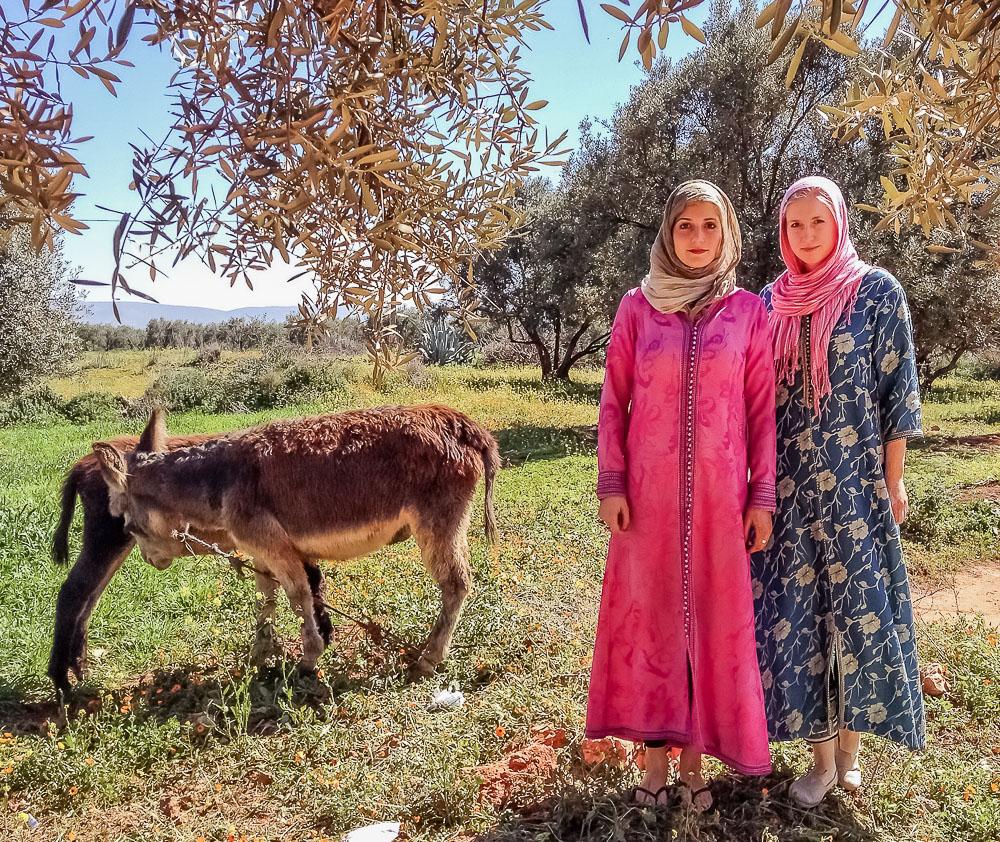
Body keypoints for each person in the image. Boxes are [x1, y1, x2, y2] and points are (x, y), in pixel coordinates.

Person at [588, 180, 777, 812]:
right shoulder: (637, 308)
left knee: (709, 624)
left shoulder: (749, 312)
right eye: (684, 226)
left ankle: (694, 764)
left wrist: (761, 497)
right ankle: (654, 766)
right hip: (647, 501)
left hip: (724, 501)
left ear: (728, 234)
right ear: (667, 234)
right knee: (653, 620)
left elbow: (760, 413)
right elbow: (613, 403)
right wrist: (612, 481)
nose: (697, 238)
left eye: (710, 226)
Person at [753, 176, 925, 808]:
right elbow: (756, 399)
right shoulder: (771, 301)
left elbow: (896, 391)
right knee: (796, 624)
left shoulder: (877, 292)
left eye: (817, 223)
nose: (805, 237)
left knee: (858, 617)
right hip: (791, 490)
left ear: (839, 223)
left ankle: (850, 756)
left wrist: (894, 478)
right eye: (795, 225)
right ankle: (818, 760)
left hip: (855, 489)